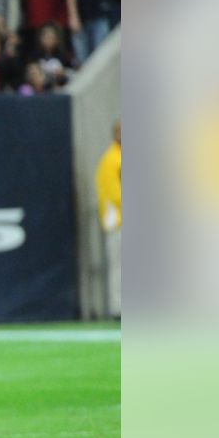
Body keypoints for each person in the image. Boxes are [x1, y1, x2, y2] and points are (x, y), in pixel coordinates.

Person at [95, 118, 121, 316]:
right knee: (119, 265)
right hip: (118, 221)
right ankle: (118, 307)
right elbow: (114, 193)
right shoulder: (111, 159)